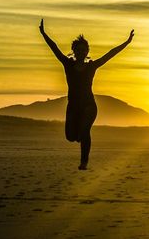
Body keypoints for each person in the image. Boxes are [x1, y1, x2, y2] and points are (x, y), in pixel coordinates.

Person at [39, 19, 134, 170]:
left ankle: (84, 162)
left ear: (87, 52)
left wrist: (127, 42)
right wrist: (43, 33)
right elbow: (55, 48)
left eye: (84, 50)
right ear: (74, 50)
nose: (81, 52)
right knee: (71, 136)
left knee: (85, 131)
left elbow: (110, 54)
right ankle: (79, 137)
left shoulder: (92, 66)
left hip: (89, 105)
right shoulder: (68, 64)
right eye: (79, 49)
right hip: (73, 106)